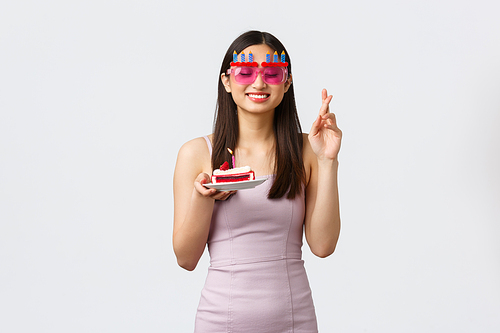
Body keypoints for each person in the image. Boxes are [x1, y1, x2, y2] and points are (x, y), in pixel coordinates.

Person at [173, 31, 342, 333]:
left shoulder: (308, 150)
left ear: (287, 82)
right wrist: (202, 198)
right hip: (220, 322)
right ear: (226, 80)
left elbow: (323, 245)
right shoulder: (197, 153)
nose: (259, 83)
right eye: (245, 72)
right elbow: (186, 258)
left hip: (295, 321)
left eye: (272, 73)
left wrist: (328, 161)